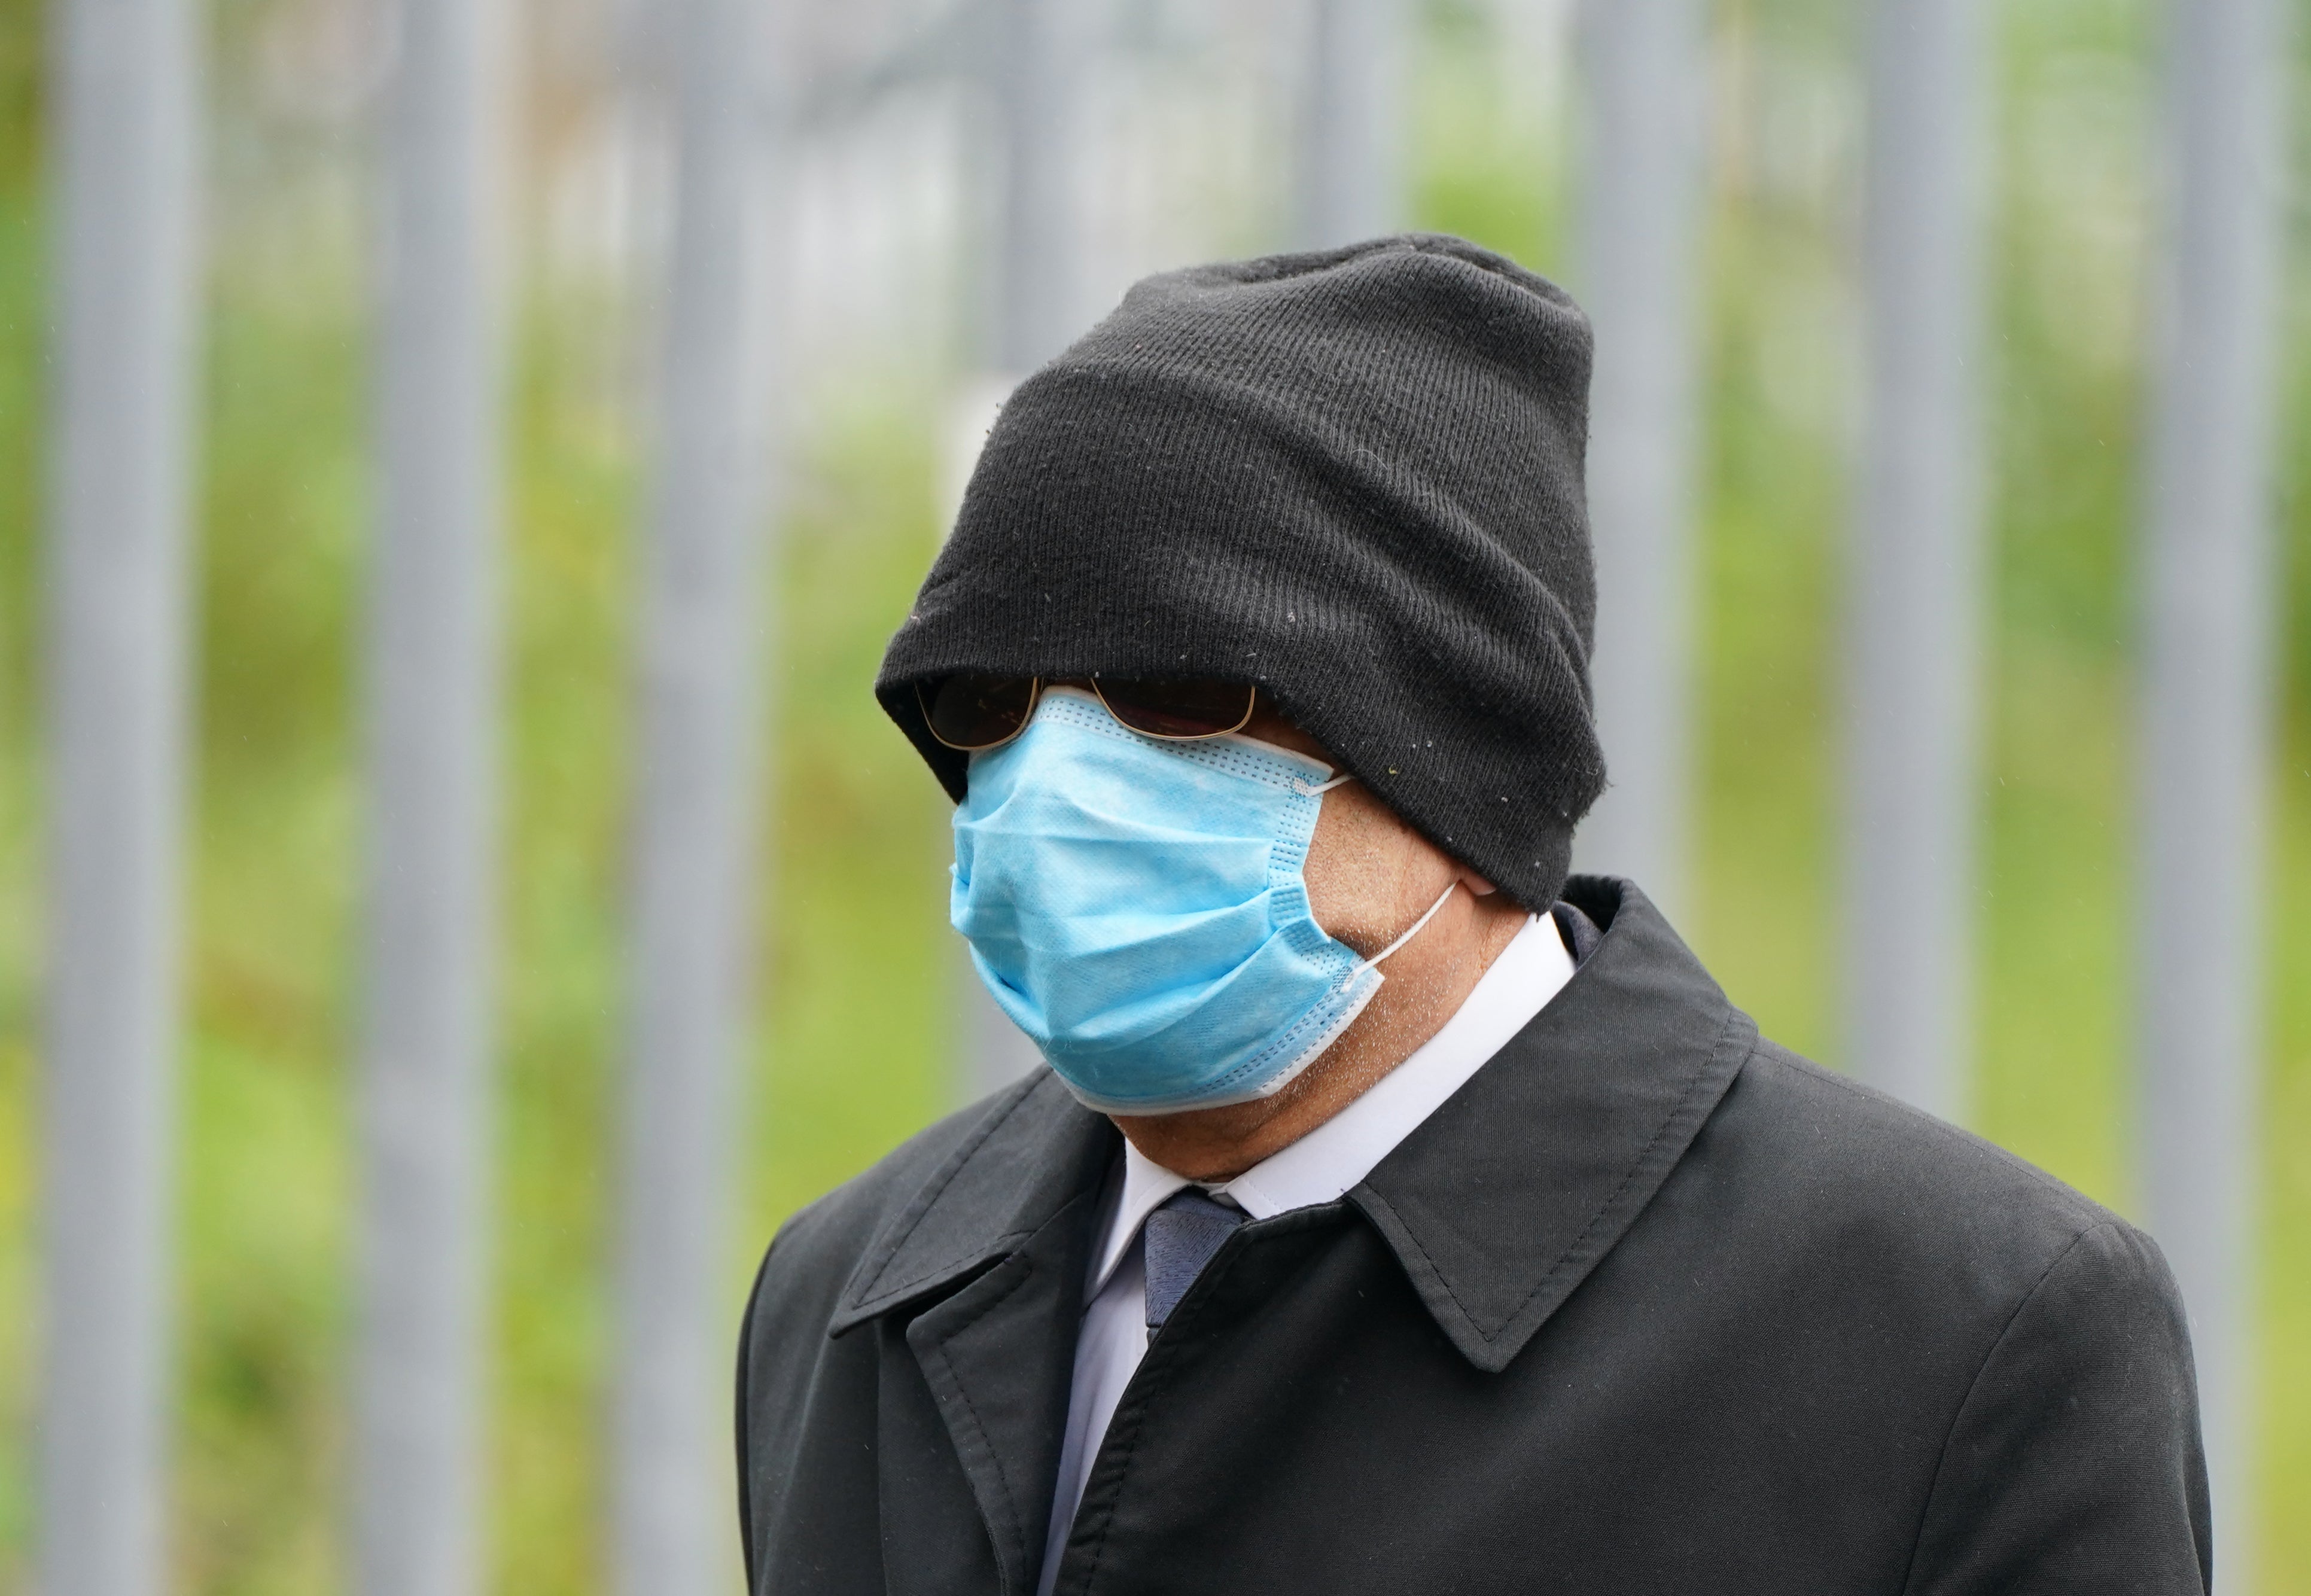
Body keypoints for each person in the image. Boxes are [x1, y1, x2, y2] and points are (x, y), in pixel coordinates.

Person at [734, 235, 2209, 1595]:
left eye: (1178, 692)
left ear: (1453, 743)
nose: (1053, 784)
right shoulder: (854, 1293)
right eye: (988, 699)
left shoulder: (1961, 1341)